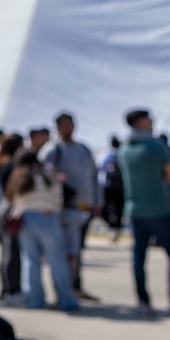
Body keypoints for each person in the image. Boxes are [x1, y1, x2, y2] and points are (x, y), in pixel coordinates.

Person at [117, 108, 170, 317]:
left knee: (139, 257)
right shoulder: (156, 147)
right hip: (159, 208)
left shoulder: (124, 149)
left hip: (135, 208)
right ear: (140, 122)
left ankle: (143, 300)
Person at [4, 150, 80, 311]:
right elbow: (57, 195)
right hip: (47, 216)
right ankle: (65, 298)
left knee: (30, 261)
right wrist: (54, 209)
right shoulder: (46, 173)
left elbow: (14, 200)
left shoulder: (18, 176)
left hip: (25, 218)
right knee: (57, 260)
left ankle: (34, 298)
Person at [40, 113, 100, 301]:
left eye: (70, 124)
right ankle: (63, 289)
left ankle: (75, 286)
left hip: (82, 207)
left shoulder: (83, 150)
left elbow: (93, 177)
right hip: (62, 209)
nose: (68, 128)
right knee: (64, 251)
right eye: (63, 125)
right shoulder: (52, 150)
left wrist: (96, 201)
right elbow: (42, 176)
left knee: (77, 250)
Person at [0, 133, 25, 298]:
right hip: (10, 208)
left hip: (2, 207)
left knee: (7, 250)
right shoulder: (12, 165)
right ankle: (11, 288)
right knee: (12, 251)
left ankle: (7, 287)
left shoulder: (2, 162)